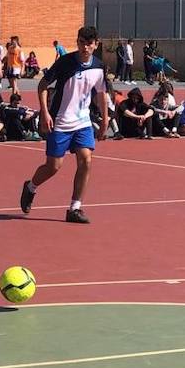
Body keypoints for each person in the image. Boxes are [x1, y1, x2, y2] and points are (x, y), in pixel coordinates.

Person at [20, 26, 108, 224]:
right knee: (53, 166)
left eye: (89, 43)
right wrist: (44, 112)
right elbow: (43, 85)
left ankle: (74, 208)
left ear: (96, 44)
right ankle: (31, 187)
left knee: (86, 159)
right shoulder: (65, 63)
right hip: (60, 121)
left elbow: (102, 93)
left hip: (83, 121)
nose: (85, 47)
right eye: (82, 43)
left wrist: (105, 120)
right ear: (77, 42)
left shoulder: (99, 67)